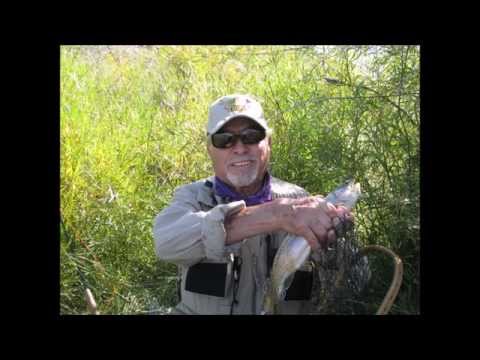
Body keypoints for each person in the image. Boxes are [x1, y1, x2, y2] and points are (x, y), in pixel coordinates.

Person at [153, 94, 354, 315]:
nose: (239, 148)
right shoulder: (192, 198)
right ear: (210, 148)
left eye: (251, 136)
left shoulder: (302, 200)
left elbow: (354, 281)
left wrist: (335, 246)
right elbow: (165, 243)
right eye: (224, 139)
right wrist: (278, 215)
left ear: (269, 142)